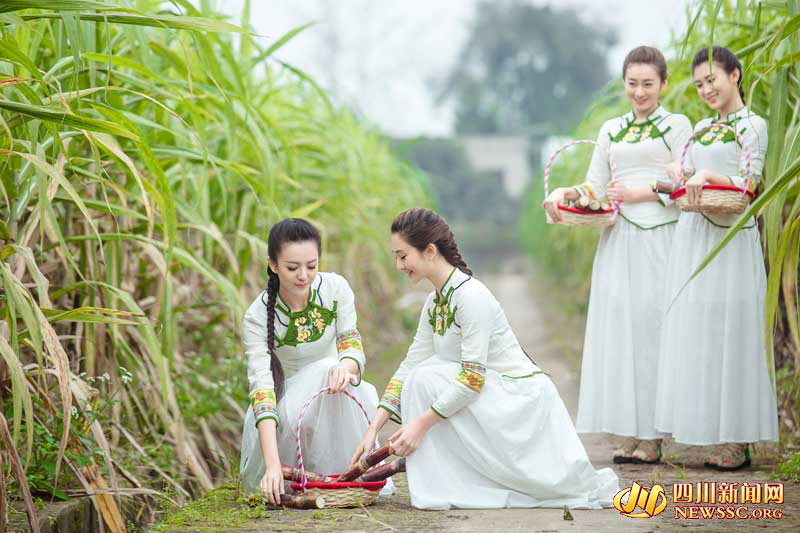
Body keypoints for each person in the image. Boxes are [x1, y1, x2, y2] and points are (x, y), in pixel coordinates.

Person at [351, 208, 619, 510]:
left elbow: (472, 379)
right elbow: (410, 364)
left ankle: (461, 480)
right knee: (422, 373)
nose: (399, 265)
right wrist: (373, 429)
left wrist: (420, 425)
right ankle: (450, 478)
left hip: (520, 401)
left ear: (429, 251)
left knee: (427, 376)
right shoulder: (435, 302)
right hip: (491, 397)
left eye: (402, 256)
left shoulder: (471, 296)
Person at [542, 46, 692, 464]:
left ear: (663, 84)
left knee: (652, 329)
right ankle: (627, 431)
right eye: (632, 83)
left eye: (648, 84)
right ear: (624, 83)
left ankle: (653, 435)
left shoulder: (677, 126)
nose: (639, 92)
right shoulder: (612, 129)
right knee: (619, 331)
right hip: (618, 237)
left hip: (661, 239)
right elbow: (595, 186)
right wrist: (568, 193)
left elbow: (685, 187)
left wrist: (644, 192)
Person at [654, 46, 778, 470]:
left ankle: (737, 441)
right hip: (694, 236)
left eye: (713, 79)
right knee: (701, 332)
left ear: (735, 75)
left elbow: (749, 184)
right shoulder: (702, 127)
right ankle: (708, 431)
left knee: (735, 332)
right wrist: (680, 173)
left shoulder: (754, 125)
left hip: (731, 240)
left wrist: (708, 176)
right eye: (700, 83)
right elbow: (687, 178)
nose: (707, 88)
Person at [239, 218, 389, 502]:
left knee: (338, 373)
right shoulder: (257, 316)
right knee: (325, 367)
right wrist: (272, 465)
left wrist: (346, 366)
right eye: (292, 268)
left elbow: (351, 343)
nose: (303, 276)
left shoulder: (336, 288)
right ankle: (292, 473)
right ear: (272, 264)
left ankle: (343, 477)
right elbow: (262, 389)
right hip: (289, 413)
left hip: (338, 392)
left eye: (311, 266)